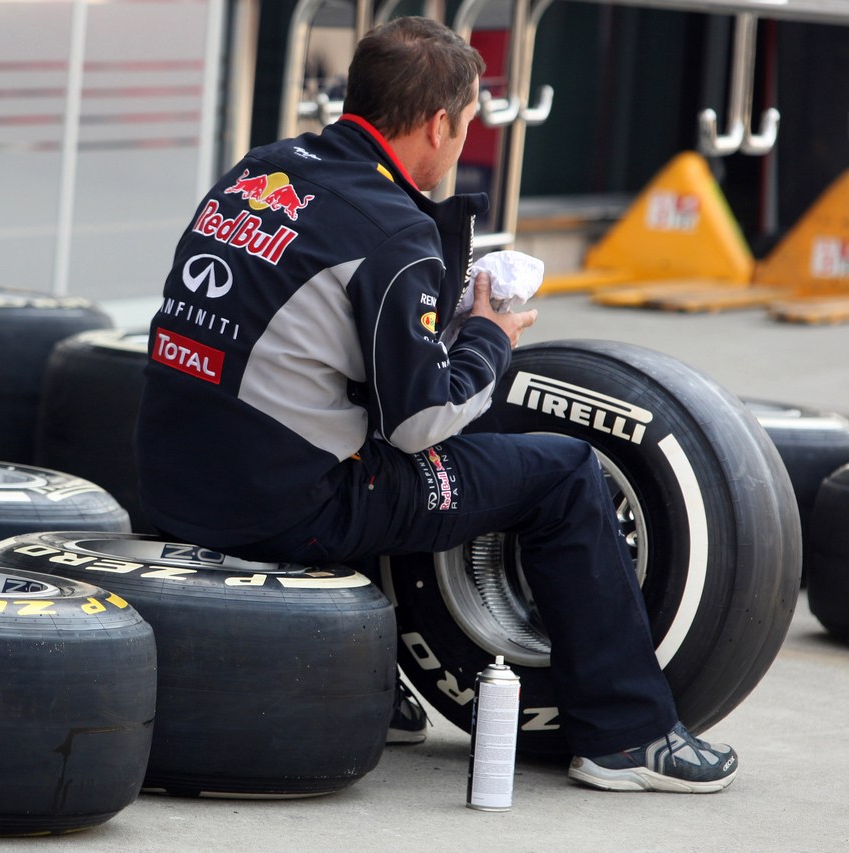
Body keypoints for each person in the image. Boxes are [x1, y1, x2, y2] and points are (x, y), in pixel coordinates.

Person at [133, 16, 737, 794]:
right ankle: (626, 735)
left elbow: (296, 322)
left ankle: (366, 687)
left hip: (169, 478)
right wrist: (487, 332)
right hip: (275, 509)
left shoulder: (263, 169)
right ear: (440, 123)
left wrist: (433, 306)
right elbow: (421, 422)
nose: (463, 144)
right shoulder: (394, 231)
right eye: (468, 125)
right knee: (559, 470)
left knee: (335, 417)